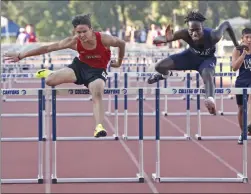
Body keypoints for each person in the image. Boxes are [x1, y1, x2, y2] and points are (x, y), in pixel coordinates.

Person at [4, 14, 126, 138]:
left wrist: (119, 62)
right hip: (79, 67)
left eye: (84, 31)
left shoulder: (104, 39)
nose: (82, 35)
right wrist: (21, 55)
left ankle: (99, 127)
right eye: (79, 32)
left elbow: (121, 43)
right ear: (75, 31)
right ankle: (51, 74)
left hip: (97, 72)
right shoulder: (73, 41)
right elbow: (47, 48)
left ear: (91, 29)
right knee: (49, 81)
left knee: (97, 92)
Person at [147, 10, 248, 115]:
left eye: (197, 30)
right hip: (190, 57)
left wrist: (236, 45)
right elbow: (158, 39)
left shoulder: (214, 35)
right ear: (188, 29)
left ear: (202, 27)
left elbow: (226, 24)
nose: (194, 33)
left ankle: (210, 100)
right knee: (159, 66)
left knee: (208, 75)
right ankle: (165, 75)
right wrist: (163, 39)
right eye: (192, 30)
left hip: (206, 60)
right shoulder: (184, 33)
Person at [231, 28, 251, 144]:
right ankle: (243, 131)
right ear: (242, 39)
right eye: (247, 37)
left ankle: (249, 126)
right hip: (241, 81)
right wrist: (243, 55)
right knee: (241, 108)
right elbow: (234, 67)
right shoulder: (237, 50)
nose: (249, 40)